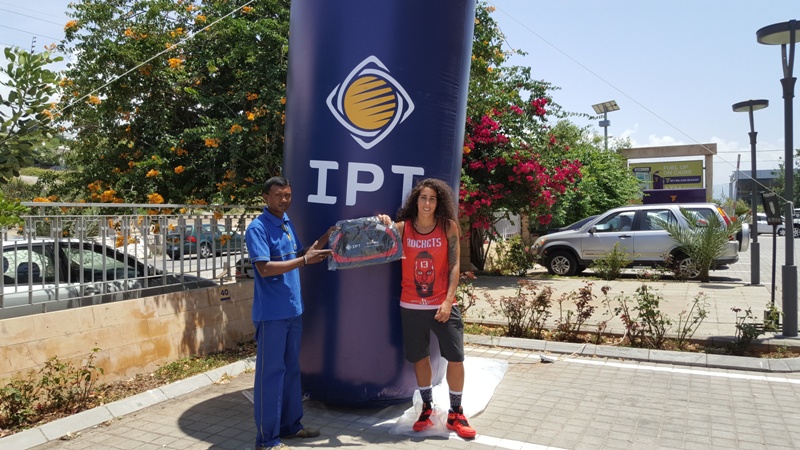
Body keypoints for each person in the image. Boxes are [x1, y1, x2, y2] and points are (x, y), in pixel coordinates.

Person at [377, 178, 477, 440]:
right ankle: (427, 408)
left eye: (433, 199)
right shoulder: (403, 228)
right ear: (416, 200)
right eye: (423, 198)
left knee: (456, 357)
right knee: (420, 358)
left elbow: (455, 265)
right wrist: (383, 223)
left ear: (438, 202)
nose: (428, 203)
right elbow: (376, 240)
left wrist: (448, 300)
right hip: (411, 304)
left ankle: (456, 412)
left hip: (443, 305)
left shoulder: (447, 226)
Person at [245, 176, 334, 450]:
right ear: (265, 197)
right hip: (272, 314)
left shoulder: (285, 222)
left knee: (291, 371)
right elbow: (264, 268)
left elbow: (298, 253)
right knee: (271, 375)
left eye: (288, 195)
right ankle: (267, 440)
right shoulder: (257, 228)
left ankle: (291, 426)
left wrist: (326, 237)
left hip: (293, 310)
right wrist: (305, 260)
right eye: (278, 195)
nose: (284, 200)